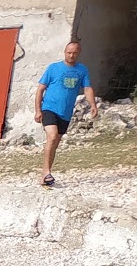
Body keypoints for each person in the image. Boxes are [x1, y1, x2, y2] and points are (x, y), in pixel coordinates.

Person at [35, 39, 98, 186]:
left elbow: (87, 88)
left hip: (66, 112)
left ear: (78, 54)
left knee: (55, 142)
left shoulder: (82, 70)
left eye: (74, 53)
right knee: (51, 136)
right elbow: (40, 89)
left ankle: (46, 175)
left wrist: (93, 105)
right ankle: (46, 172)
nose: (71, 55)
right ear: (65, 52)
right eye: (69, 52)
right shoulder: (53, 68)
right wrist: (38, 110)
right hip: (49, 108)